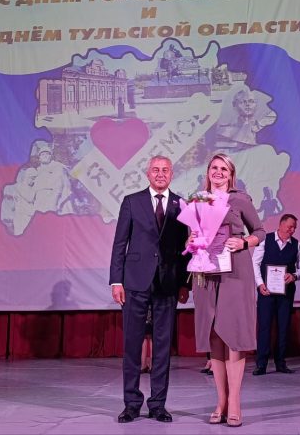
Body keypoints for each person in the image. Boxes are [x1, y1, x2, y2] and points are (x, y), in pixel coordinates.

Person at [109, 155, 190, 423]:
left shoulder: (181, 204)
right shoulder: (132, 201)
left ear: (172, 174)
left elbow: (186, 249)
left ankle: (158, 404)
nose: (160, 174)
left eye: (165, 170)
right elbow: (120, 243)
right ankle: (131, 403)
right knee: (132, 345)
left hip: (168, 283)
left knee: (163, 347)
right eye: (155, 170)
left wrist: (184, 283)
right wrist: (116, 281)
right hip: (134, 282)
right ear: (148, 174)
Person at [188, 153, 266, 427]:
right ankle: (220, 401)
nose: (218, 172)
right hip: (206, 272)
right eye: (214, 167)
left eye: (224, 168)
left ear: (231, 174)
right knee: (214, 336)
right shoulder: (197, 200)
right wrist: (192, 240)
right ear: (207, 171)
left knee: (234, 335)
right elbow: (191, 238)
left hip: (235, 272)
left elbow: (260, 231)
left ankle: (234, 401)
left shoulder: (240, 199)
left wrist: (244, 242)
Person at [252, 213, 300, 375]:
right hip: (266, 292)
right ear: (280, 225)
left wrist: (294, 276)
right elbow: (255, 263)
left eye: (294, 228)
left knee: (283, 327)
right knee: (264, 326)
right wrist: (260, 284)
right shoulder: (264, 240)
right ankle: (261, 364)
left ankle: (281, 362)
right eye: (289, 227)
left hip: (286, 293)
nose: (292, 230)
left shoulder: (297, 244)